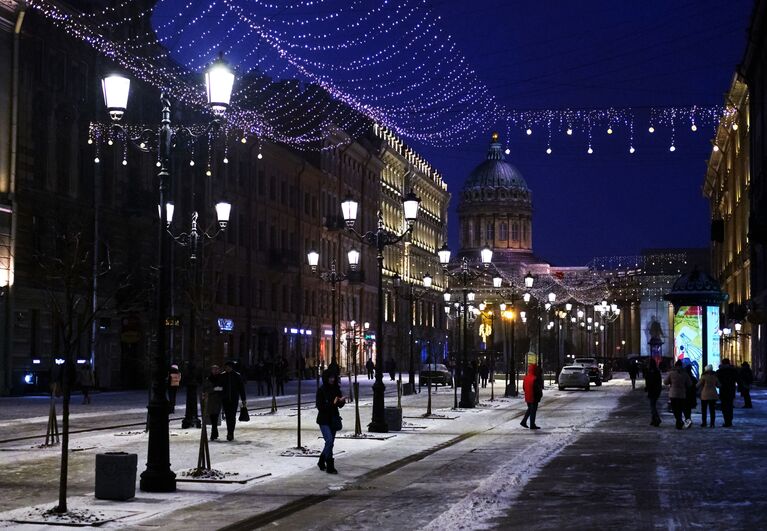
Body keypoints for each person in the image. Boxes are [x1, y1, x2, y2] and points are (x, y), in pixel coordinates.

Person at [316, 369, 346, 474]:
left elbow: (339, 405)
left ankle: (321, 461)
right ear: (326, 378)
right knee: (329, 441)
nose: (332, 379)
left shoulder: (336, 389)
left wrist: (342, 402)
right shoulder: (321, 390)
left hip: (333, 418)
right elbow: (320, 407)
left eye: (333, 377)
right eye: (330, 377)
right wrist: (332, 404)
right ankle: (330, 465)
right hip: (324, 420)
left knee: (330, 443)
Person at [220, 361, 246, 441]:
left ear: (231, 367)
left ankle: (231, 433)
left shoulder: (237, 376)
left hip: (234, 399)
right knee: (228, 417)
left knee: (232, 416)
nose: (227, 368)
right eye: (226, 367)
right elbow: (219, 387)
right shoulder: (222, 376)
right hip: (225, 399)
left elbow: (241, 388)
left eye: (228, 367)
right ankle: (229, 432)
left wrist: (243, 399)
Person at [664, 360, 691, 429]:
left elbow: (665, 382)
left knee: (675, 409)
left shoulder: (671, 373)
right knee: (680, 408)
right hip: (682, 394)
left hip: (673, 394)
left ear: (675, 366)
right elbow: (689, 384)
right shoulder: (685, 373)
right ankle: (679, 422)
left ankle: (679, 421)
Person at [202, 365, 223, 440]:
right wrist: (214, 389)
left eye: (216, 369)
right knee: (212, 417)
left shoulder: (221, 378)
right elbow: (205, 389)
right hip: (210, 401)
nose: (215, 371)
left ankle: (213, 434)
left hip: (217, 400)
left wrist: (215, 389)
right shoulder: (208, 378)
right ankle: (215, 432)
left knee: (215, 416)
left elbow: (222, 388)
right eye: (213, 369)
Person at [717, 358, 739, 427]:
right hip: (731, 390)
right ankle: (729, 421)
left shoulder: (719, 371)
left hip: (723, 391)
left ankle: (726, 421)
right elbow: (738, 379)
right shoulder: (733, 371)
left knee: (724, 406)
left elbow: (717, 382)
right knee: (730, 406)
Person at [521, 365, 543, 430]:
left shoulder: (526, 378)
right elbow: (537, 389)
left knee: (530, 410)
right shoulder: (535, 378)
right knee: (533, 411)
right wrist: (540, 395)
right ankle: (532, 424)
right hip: (534, 397)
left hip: (528, 396)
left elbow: (524, 388)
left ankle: (524, 422)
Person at [645, 358, 662, 427]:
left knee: (652, 405)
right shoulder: (657, 371)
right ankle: (653, 419)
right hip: (657, 390)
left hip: (652, 390)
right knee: (653, 404)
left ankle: (657, 418)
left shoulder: (649, 372)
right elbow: (659, 381)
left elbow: (649, 381)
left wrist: (647, 388)